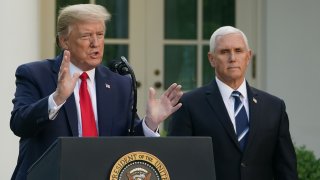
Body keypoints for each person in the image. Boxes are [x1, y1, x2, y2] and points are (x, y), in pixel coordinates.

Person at [10, 4, 182, 180]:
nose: (95, 43)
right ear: (64, 41)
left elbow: (127, 142)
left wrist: (150, 124)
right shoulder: (35, 74)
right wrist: (57, 98)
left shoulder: (120, 84)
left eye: (100, 35)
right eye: (86, 36)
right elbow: (19, 124)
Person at [168, 26, 298, 180]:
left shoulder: (274, 107)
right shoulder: (189, 105)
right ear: (211, 59)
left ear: (248, 56)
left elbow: (286, 168)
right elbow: (178, 164)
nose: (232, 58)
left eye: (238, 51)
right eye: (224, 52)